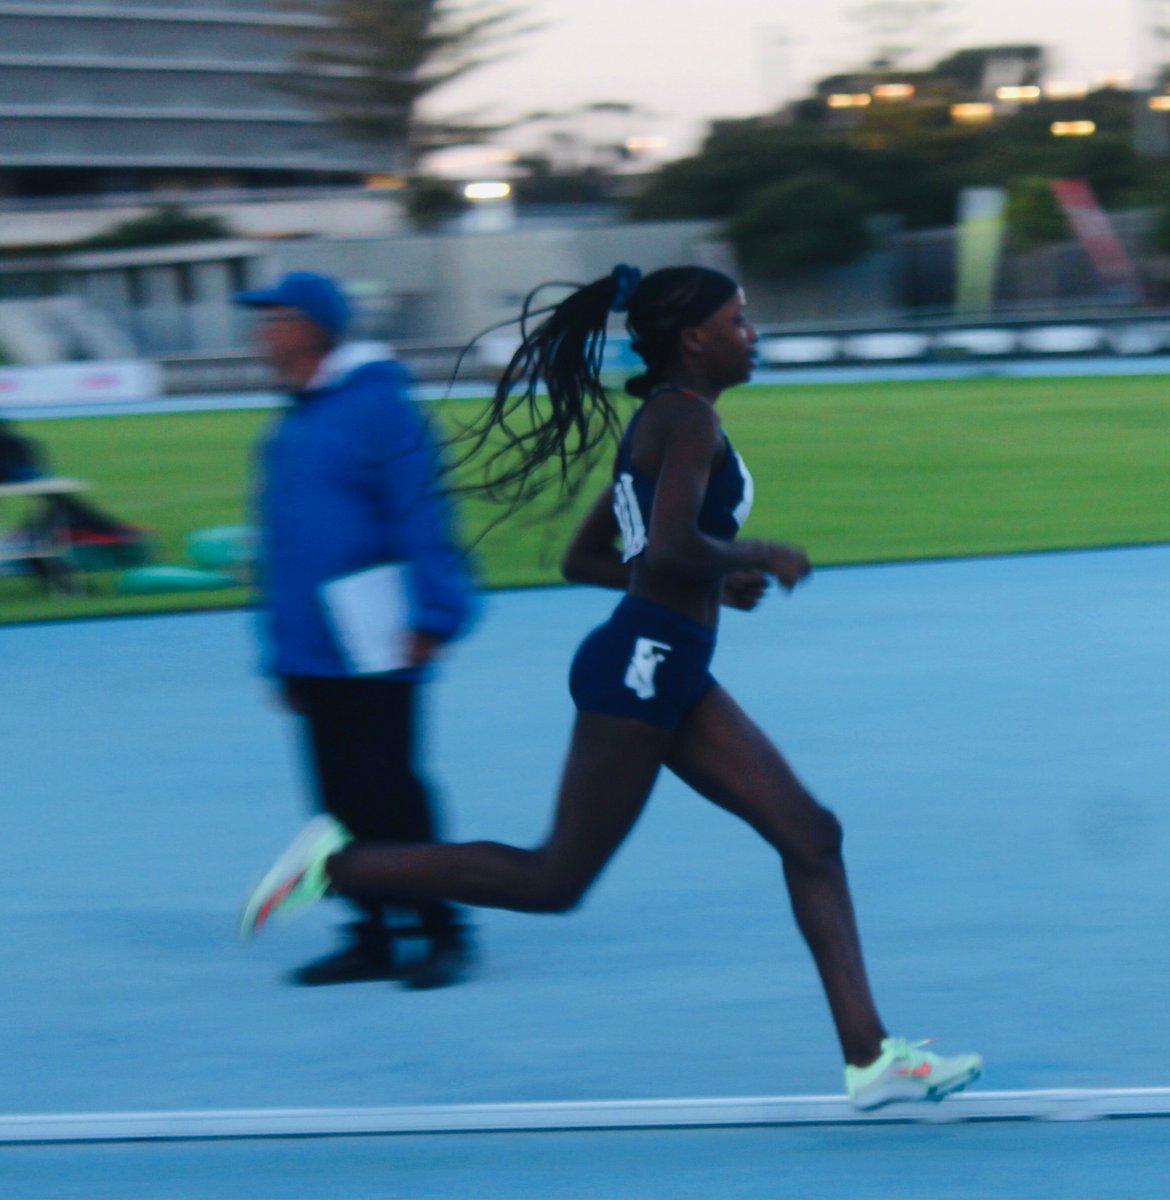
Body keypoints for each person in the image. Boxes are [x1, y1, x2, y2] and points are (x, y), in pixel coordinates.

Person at [240, 264, 981, 1108]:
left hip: (661, 659)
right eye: (740, 320)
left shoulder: (663, 421)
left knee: (811, 835)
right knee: (550, 879)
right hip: (646, 668)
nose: (753, 334)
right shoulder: (687, 421)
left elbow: (591, 558)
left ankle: (870, 1057)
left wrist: (711, 583)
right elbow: (664, 553)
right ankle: (338, 867)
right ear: (696, 337)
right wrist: (754, 554)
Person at [236, 270, 476, 990]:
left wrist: (435, 614)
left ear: (313, 327)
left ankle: (442, 930)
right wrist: (280, 654)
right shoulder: (293, 423)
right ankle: (369, 932)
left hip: (375, 636)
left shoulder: (379, 409)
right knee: (334, 799)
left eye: (275, 319)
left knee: (392, 792)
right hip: (312, 645)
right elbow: (279, 548)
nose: (262, 334)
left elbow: (423, 513)